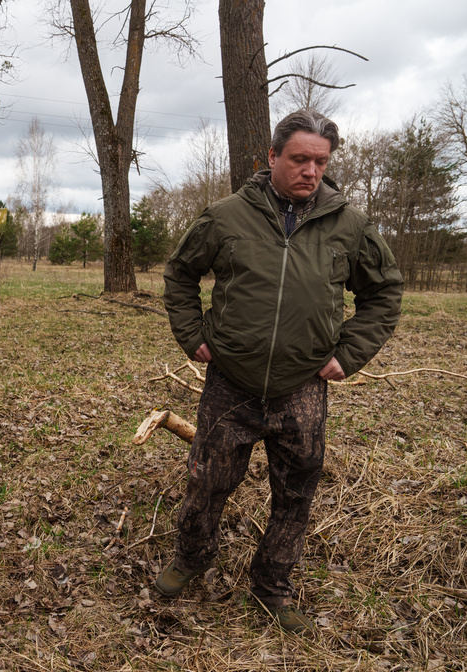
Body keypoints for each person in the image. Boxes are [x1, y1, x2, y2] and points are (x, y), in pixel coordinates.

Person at [157, 109, 403, 634]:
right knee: (207, 482)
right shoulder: (225, 217)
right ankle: (191, 559)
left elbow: (384, 293)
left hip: (302, 388)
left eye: (320, 161)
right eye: (298, 159)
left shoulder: (349, 225)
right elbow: (180, 274)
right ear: (271, 158)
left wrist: (349, 354)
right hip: (231, 382)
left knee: (295, 492)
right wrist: (193, 335)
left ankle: (272, 585)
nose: (310, 170)